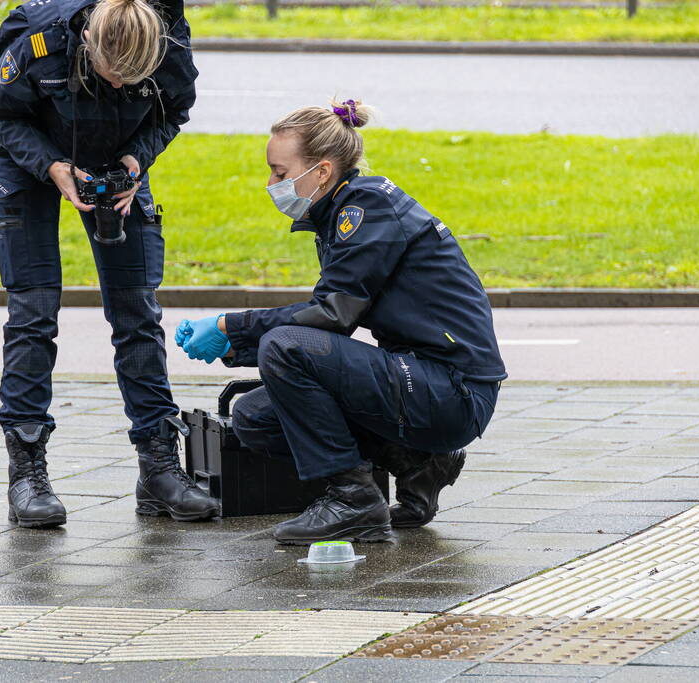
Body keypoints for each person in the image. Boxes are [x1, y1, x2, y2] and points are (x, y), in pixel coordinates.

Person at [175, 99, 506, 545]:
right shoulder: (342, 210)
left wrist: (229, 326)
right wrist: (235, 343)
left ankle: (354, 501)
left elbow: (333, 314)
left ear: (323, 172)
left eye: (279, 172)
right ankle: (418, 463)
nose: (271, 184)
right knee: (254, 417)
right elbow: (330, 323)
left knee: (285, 346)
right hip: (425, 382)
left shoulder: (366, 209)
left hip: (453, 390)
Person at [0, 0, 218, 528]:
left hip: (117, 161)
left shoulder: (168, 47)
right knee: (34, 314)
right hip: (27, 158)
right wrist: (52, 166)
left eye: (131, 80)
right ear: (88, 43)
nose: (117, 86)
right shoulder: (41, 44)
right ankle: (26, 474)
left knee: (138, 313)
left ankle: (158, 468)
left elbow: (174, 112)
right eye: (111, 76)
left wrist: (136, 160)